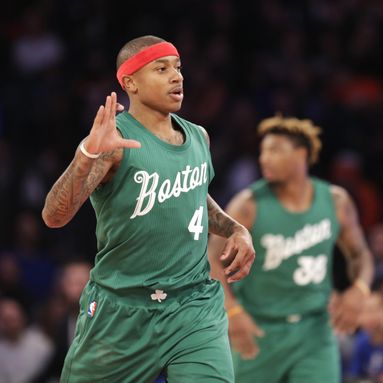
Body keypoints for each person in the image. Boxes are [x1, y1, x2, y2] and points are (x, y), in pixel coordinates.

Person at [41, 35, 255, 383]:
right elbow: (54, 216)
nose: (177, 76)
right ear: (130, 83)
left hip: (194, 304)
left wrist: (235, 229)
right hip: (123, 309)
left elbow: (194, 195)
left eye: (178, 67)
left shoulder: (199, 136)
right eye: (162, 68)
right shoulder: (114, 142)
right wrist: (87, 156)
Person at [208, 114, 374, 383]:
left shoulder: (335, 201)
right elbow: (211, 259)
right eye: (263, 151)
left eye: (274, 150)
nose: (264, 158)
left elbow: (360, 254)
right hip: (260, 328)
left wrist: (360, 289)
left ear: (302, 154)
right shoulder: (249, 203)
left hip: (315, 331)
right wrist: (232, 311)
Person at [347, 292, 383, 383]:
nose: (371, 316)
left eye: (375, 310)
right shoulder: (361, 342)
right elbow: (354, 376)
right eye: (364, 311)